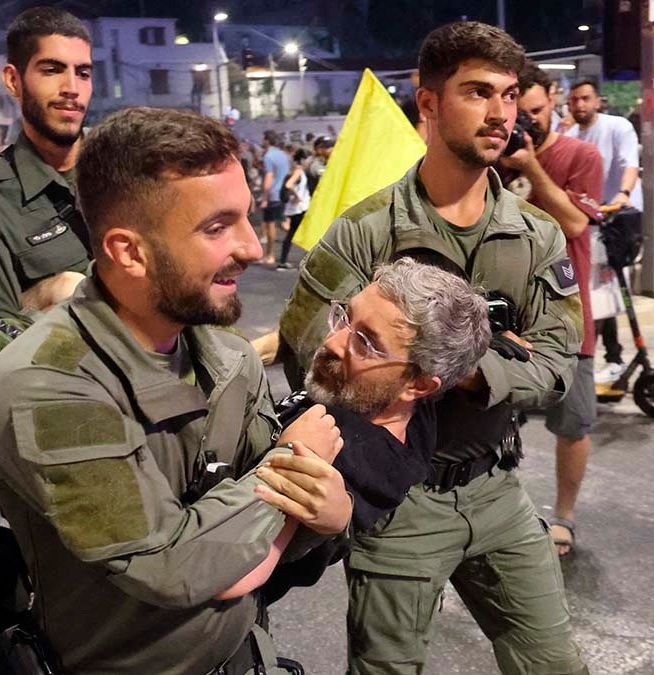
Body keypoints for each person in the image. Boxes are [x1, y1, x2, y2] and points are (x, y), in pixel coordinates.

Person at [0, 107, 351, 675]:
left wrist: (329, 513)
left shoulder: (227, 355)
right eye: (217, 227)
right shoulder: (47, 386)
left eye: (246, 218)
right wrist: (297, 462)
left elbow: (287, 537)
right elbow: (169, 566)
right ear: (129, 251)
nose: (251, 247)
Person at [276, 21, 587, 674]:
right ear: (428, 103)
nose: (501, 113)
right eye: (478, 92)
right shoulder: (362, 234)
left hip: (496, 489)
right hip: (398, 502)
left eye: (509, 94)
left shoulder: (534, 237)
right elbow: (309, 358)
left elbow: (561, 364)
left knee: (554, 663)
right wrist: (470, 361)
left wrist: (464, 372)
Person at [261, 258, 491, 603]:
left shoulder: (341, 460)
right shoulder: (406, 405)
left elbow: (221, 566)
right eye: (345, 317)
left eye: (366, 343)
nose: (335, 342)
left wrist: (280, 455)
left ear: (418, 385)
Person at [501, 61, 602, 557]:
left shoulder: (581, 155)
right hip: (504, 319)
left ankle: (564, 516)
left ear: (554, 101)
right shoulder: (490, 157)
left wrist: (530, 165)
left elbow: (575, 224)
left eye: (536, 111)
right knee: (490, 419)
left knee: (571, 424)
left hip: (566, 316)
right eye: (518, 112)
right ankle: (500, 515)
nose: (527, 122)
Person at [0, 7, 93, 326]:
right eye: (52, 70)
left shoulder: (128, 161)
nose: (72, 87)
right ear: (14, 81)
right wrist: (49, 297)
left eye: (83, 73)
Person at [564, 78, 640, 384]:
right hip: (586, 223)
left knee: (607, 291)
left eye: (585, 98)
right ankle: (597, 357)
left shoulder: (617, 126)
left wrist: (623, 194)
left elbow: (629, 164)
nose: (580, 105)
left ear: (598, 101)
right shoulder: (569, 134)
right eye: (574, 100)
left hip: (615, 220)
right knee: (590, 293)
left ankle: (613, 357)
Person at [277, 147, 311, 269]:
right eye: (307, 159)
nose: (309, 161)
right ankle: (306, 262)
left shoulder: (295, 170)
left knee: (292, 234)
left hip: (296, 208)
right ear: (302, 159)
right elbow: (289, 184)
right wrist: (297, 196)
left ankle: (283, 260)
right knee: (305, 234)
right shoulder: (298, 171)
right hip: (300, 208)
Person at [259, 129, 290, 265]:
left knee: (270, 224)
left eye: (263, 138)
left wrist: (265, 197)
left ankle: (270, 255)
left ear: (267, 140)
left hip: (273, 194)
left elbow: (269, 176)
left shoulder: (268, 156)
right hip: (283, 193)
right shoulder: (283, 155)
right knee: (283, 223)